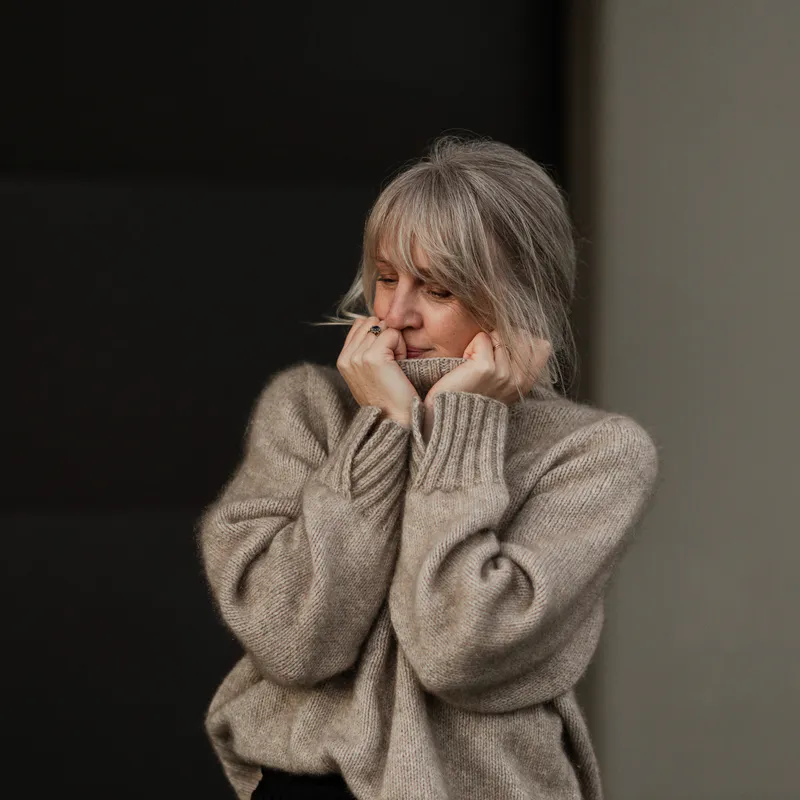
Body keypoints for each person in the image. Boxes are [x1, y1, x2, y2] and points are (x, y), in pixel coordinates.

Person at [196, 134, 661, 800]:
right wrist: (384, 426)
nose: (394, 313)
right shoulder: (308, 411)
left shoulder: (595, 455)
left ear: (519, 300)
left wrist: (459, 428)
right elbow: (294, 639)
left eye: (437, 288)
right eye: (386, 277)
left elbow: (459, 650)